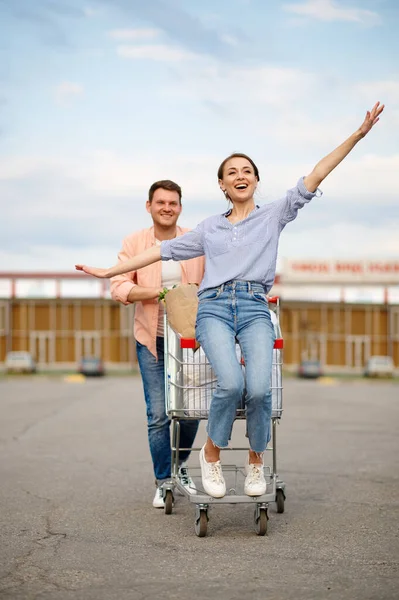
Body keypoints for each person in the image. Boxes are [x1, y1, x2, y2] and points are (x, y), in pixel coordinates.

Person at [76, 102, 384, 499]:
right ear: (222, 185)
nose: (240, 176)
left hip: (255, 307)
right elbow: (159, 252)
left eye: (247, 171)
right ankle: (212, 451)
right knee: (231, 382)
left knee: (258, 389)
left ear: (256, 180)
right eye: (231, 173)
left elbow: (317, 173)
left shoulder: (274, 215)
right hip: (215, 309)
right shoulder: (209, 229)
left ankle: (257, 462)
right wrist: (108, 271)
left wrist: (357, 136)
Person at [109, 180, 205, 507]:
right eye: (160, 202)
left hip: (191, 341)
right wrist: (157, 293)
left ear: (180, 207)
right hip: (152, 340)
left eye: (173, 203)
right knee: (159, 415)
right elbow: (120, 287)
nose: (167, 207)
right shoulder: (135, 243)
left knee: (191, 412)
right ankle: (163, 481)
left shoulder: (194, 241)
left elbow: (210, 282)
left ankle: (178, 468)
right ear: (149, 206)